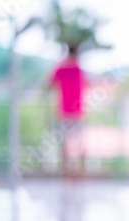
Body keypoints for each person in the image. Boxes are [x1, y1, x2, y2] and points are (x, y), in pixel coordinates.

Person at [49, 45, 88, 175]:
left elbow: (51, 82)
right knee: (81, 141)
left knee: (64, 142)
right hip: (77, 111)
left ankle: (66, 171)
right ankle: (81, 171)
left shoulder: (61, 68)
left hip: (64, 111)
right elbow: (86, 84)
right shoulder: (79, 69)